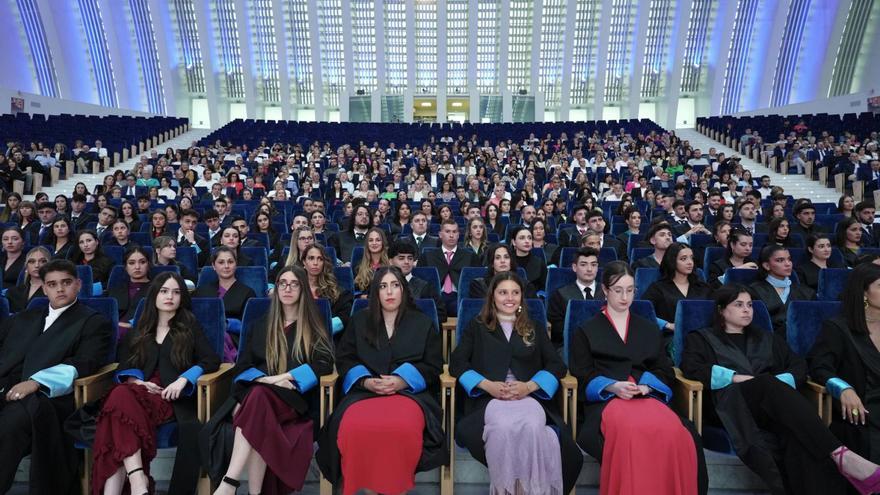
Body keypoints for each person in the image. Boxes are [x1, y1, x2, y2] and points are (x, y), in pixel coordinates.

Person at [683, 285, 880, 494]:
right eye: (738, 305)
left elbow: (798, 366)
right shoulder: (701, 338)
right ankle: (841, 454)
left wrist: (777, 383)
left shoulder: (768, 338)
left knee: (797, 436)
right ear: (722, 310)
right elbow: (692, 367)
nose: (747, 310)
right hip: (729, 403)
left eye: (750, 305)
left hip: (771, 406)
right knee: (766, 383)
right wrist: (738, 377)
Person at [568, 261, 707, 495]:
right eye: (618, 290)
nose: (625, 297)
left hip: (647, 397)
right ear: (605, 290)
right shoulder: (586, 330)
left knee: (675, 432)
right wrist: (612, 387)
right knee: (631, 432)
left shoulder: (648, 328)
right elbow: (582, 373)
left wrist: (646, 387)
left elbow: (664, 369)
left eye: (630, 290)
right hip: (607, 401)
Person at [316, 266, 446, 494]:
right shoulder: (359, 320)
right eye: (383, 286)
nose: (389, 292)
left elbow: (433, 365)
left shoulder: (422, 322)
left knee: (401, 429)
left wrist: (402, 381)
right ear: (376, 292)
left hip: (408, 395)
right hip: (364, 394)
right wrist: (365, 381)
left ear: (404, 290)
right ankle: (360, 487)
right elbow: (345, 358)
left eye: (395, 285)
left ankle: (392, 489)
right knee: (352, 428)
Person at [450, 271, 582, 493]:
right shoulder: (478, 326)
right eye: (503, 292)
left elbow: (556, 365)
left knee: (533, 428)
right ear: (493, 296)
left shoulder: (535, 328)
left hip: (528, 397)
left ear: (522, 296)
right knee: (502, 428)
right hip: (489, 399)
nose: (509, 298)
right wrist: (486, 384)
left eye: (515, 292)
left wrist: (529, 386)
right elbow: (457, 362)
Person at [91, 272, 221, 495]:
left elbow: (211, 359)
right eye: (164, 291)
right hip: (138, 394)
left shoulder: (189, 326)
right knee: (121, 398)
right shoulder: (141, 328)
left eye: (176, 292)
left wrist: (184, 379)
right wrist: (137, 382)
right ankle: (137, 482)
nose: (170, 296)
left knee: (116, 405)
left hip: (169, 397)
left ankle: (136, 483)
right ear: (154, 296)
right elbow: (123, 365)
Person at [208, 266, 334, 495]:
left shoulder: (313, 327)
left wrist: (286, 377)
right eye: (282, 283)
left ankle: (229, 483)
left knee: (256, 400)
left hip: (295, 398)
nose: (287, 288)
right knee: (259, 402)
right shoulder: (262, 325)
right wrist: (267, 381)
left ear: (303, 289)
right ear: (275, 289)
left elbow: (324, 363)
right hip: (262, 395)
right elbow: (243, 366)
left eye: (294, 284)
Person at [0, 259, 113, 494]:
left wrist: (37, 382)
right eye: (52, 284)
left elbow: (86, 362)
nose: (59, 289)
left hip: (50, 399)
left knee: (9, 425)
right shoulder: (24, 319)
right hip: (7, 391)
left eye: (66, 282)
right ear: (44, 288)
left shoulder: (92, 322)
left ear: (79, 285)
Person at [809, 263, 880, 467]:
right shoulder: (838, 328)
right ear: (864, 293)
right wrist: (843, 388)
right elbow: (819, 367)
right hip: (862, 411)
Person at [642, 242, 713, 333]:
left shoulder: (703, 287)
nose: (690, 262)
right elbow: (643, 312)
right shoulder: (658, 288)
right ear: (672, 261)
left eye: (691, 258)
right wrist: (666, 325)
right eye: (683, 259)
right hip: (671, 337)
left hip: (702, 337)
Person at [748, 245, 815, 337]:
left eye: (789, 259)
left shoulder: (806, 293)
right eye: (780, 260)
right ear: (767, 265)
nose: (788, 264)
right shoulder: (754, 291)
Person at [547, 247, 604, 349]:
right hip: (571, 346)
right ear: (574, 267)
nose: (589, 269)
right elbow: (556, 328)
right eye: (583, 264)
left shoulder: (608, 293)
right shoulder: (560, 294)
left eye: (593, 264)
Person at [421, 219, 479, 317]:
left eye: (454, 232)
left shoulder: (470, 256)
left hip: (460, 298)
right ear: (440, 234)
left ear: (458, 234)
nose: (451, 235)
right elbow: (421, 283)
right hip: (436, 299)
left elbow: (477, 283)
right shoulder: (427, 256)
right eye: (447, 232)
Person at [193, 247, 257, 323]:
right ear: (213, 266)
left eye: (230, 262)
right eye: (221, 262)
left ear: (236, 264)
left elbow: (249, 325)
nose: (226, 266)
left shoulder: (248, 293)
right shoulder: (201, 291)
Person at [301, 244, 354, 336]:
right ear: (304, 262)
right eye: (311, 258)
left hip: (327, 340)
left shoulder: (340, 293)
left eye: (320, 259)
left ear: (324, 263)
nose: (315, 263)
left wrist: (315, 331)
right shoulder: (296, 289)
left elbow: (344, 318)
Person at [388, 240, 447, 322]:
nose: (406, 262)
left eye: (410, 258)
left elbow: (441, 314)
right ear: (390, 261)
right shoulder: (381, 285)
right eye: (401, 258)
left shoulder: (426, 287)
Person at [470, 243, 537, 300]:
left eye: (506, 257)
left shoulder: (526, 286)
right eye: (498, 258)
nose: (503, 261)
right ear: (492, 263)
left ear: (511, 261)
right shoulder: (479, 285)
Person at [108, 246, 153, 332]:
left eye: (142, 262)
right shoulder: (115, 289)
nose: (137, 267)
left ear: (148, 264)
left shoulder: (157, 289)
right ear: (125, 267)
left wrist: (132, 324)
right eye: (131, 263)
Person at [6, 246, 49, 313]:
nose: (37, 265)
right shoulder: (12, 292)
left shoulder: (53, 292)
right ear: (26, 266)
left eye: (43, 261)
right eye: (32, 261)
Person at [353, 227, 390, 295]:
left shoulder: (390, 264)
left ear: (383, 243)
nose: (374, 243)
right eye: (371, 240)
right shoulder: (359, 266)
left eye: (378, 240)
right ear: (367, 244)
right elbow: (355, 291)